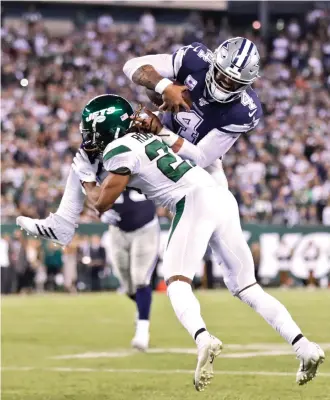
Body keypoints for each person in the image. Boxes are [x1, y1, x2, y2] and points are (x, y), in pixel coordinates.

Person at [19, 94, 323, 390]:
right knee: (247, 287)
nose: (88, 138)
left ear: (107, 128)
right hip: (220, 196)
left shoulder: (119, 150)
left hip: (194, 201)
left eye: (91, 131)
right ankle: (304, 346)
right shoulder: (146, 139)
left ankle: (203, 338)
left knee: (177, 281)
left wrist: (86, 177)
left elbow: (101, 202)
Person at [123, 36, 263, 184]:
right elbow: (131, 65)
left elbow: (201, 158)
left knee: (219, 195)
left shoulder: (245, 111)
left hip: (194, 155)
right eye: (222, 75)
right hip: (163, 123)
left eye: (234, 83)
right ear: (213, 64)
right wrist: (165, 87)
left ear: (245, 85)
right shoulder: (195, 59)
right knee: (118, 127)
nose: (225, 84)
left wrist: (161, 132)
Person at [101, 189, 159, 351]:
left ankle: (142, 332)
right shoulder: (101, 166)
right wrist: (99, 211)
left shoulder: (145, 165)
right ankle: (141, 309)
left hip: (145, 227)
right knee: (127, 285)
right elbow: (88, 190)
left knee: (140, 278)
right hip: (117, 229)